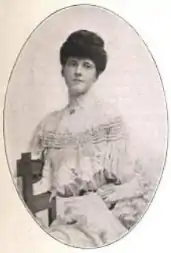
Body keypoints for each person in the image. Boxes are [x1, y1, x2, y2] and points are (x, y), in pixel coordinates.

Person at [29, 30, 151, 248]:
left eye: (87, 65)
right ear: (63, 70)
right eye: (72, 63)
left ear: (96, 75)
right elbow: (31, 181)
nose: (77, 72)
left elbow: (132, 184)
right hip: (56, 217)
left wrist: (105, 198)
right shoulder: (48, 125)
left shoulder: (107, 119)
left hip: (94, 220)